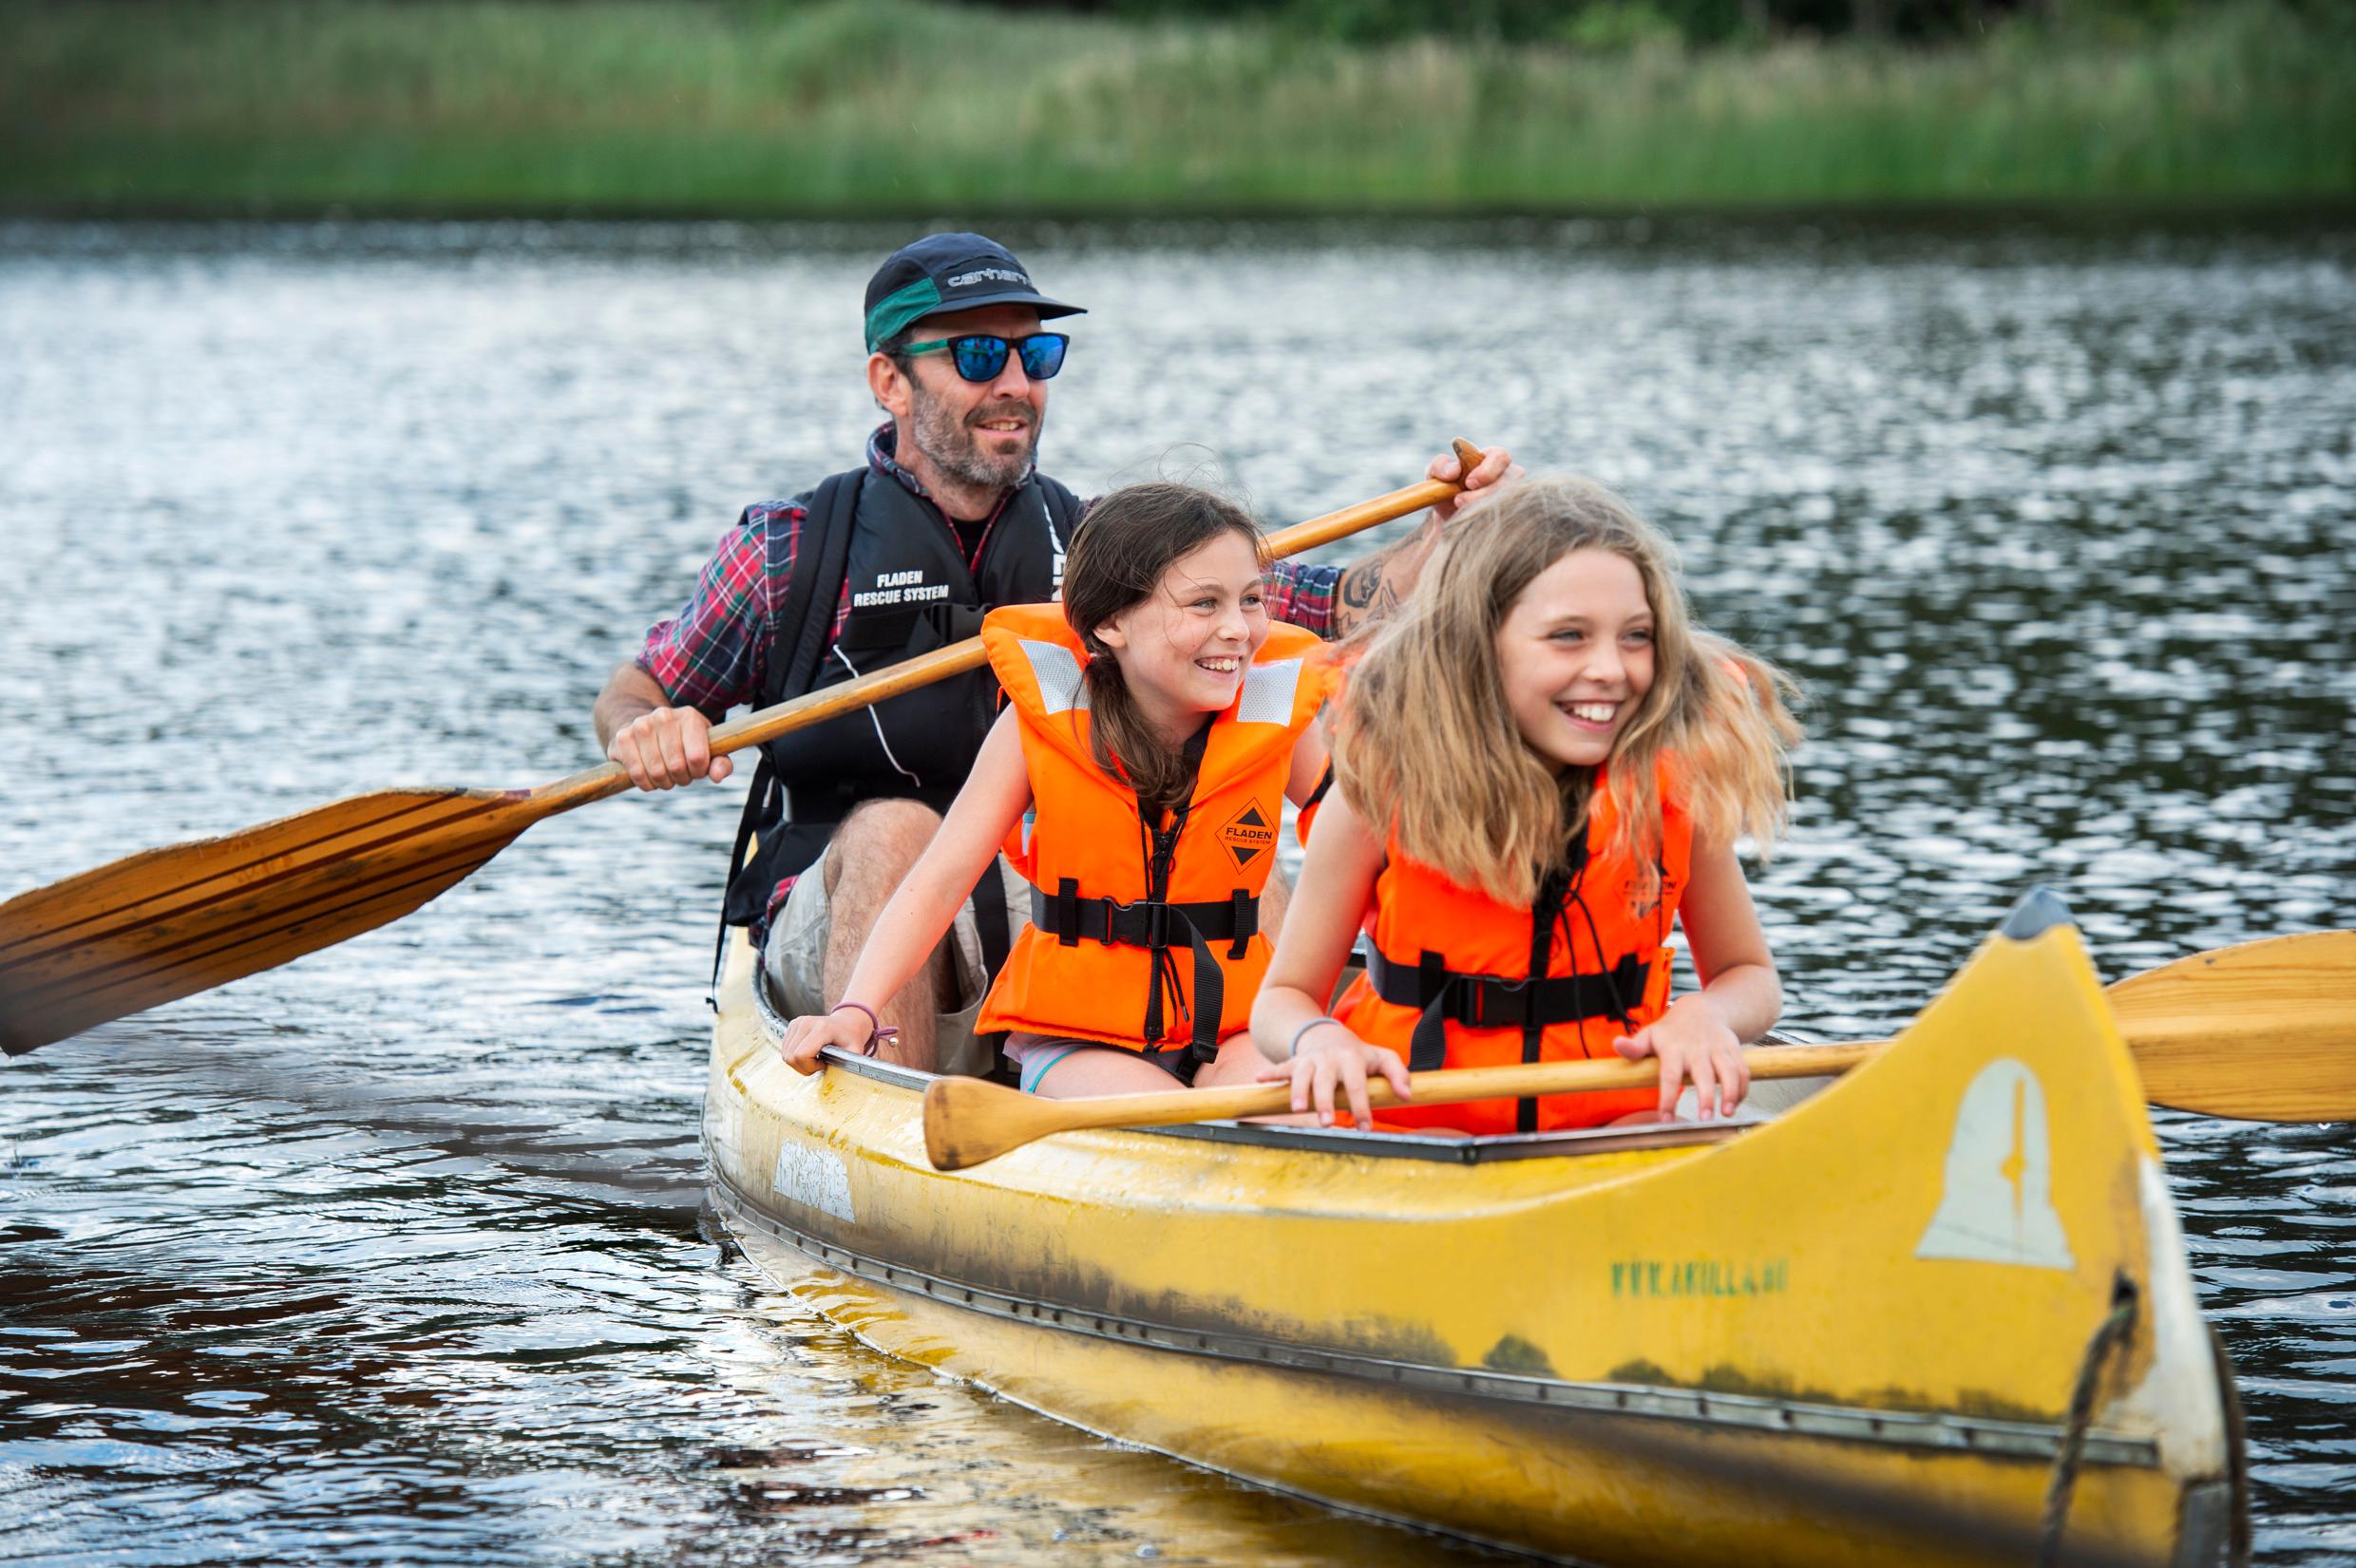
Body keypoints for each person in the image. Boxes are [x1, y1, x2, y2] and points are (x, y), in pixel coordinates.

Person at [592, 231, 1512, 1075]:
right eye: (977, 356)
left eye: (1035, 356)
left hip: (1055, 898)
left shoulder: (1103, 549)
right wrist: (647, 729)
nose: (1016, 384)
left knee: (1224, 824)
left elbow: (1324, 610)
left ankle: (1276, 1076)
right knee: (895, 829)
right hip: (844, 909)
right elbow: (637, 690)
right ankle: (888, 1119)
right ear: (889, 380)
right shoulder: (789, 550)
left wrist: (1437, 542)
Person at [1248, 477, 1801, 1134]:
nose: (1610, 668)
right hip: (1418, 1129)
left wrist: (1707, 1015)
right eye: (1568, 636)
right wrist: (1317, 1037)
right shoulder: (1379, 793)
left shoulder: (1674, 788)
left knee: (1653, 1136)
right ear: (1479, 645)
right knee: (1441, 1144)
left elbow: (1749, 976)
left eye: (1636, 636)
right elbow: (1281, 1000)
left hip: (1615, 1122)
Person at [774, 483, 1328, 1095]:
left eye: (1251, 599)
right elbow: (939, 881)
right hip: (1081, 1039)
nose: (1238, 630)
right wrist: (856, 1011)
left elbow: (1369, 841)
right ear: (1111, 622)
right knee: (1173, 1126)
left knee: (1281, 1104)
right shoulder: (1038, 723)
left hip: (1234, 1025)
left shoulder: (1278, 716)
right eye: (1204, 604)